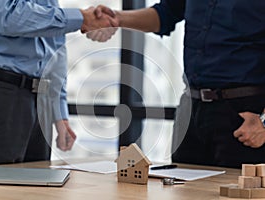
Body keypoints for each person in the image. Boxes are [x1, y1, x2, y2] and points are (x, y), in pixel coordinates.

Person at [90, 1, 265, 168]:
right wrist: (116, 18)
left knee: (238, 193)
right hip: (191, 109)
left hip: (246, 113)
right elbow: (165, 13)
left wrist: (264, 123)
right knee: (185, 190)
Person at [0, 0, 117, 165]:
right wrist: (83, 18)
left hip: (39, 99)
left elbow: (56, 45)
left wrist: (59, 111)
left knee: (37, 186)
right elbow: (8, 17)